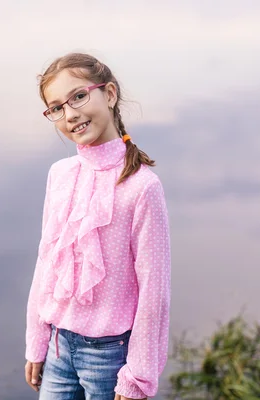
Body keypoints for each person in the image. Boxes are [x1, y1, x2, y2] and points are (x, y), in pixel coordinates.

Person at [24, 52, 171, 400]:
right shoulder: (59, 175)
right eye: (56, 107)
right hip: (58, 347)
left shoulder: (141, 187)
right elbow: (45, 262)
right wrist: (36, 339)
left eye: (78, 96)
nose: (70, 114)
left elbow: (155, 290)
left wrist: (138, 377)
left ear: (110, 94)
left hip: (109, 358)